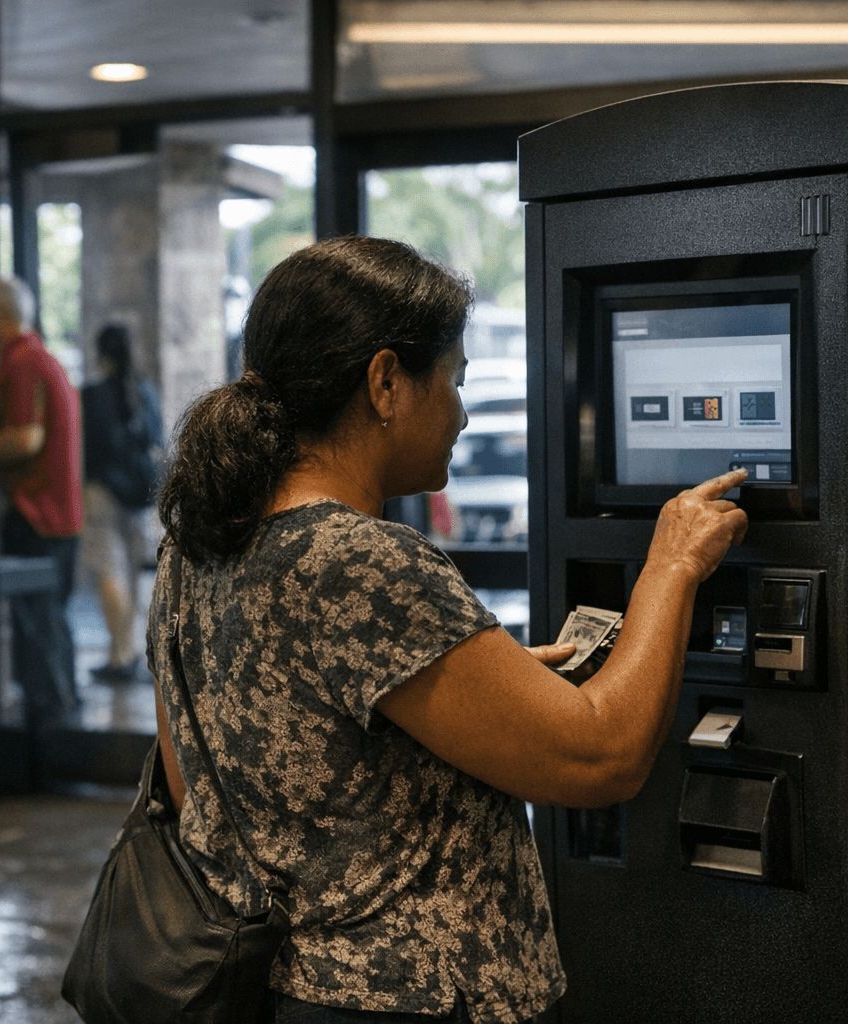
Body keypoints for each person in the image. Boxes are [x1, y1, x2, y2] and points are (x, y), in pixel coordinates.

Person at [150, 236, 749, 1023]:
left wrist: (473, 696)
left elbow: (205, 774)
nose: (463, 412)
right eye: (455, 380)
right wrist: (672, 566)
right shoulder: (361, 561)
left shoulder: (196, 543)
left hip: (273, 993)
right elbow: (603, 756)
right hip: (410, 1003)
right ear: (387, 381)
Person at [0, 274, 84, 726]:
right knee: (49, 624)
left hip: (37, 515)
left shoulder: (23, 363)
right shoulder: (39, 360)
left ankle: (48, 729)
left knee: (37, 629)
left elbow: (25, 438)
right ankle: (58, 717)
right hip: (55, 517)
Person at [79, 323, 163, 683]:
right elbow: (155, 438)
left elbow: (86, 448)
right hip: (140, 492)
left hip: (102, 492)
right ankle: (126, 652)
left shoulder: (93, 395)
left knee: (108, 571)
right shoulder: (146, 392)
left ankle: (121, 654)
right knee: (129, 571)